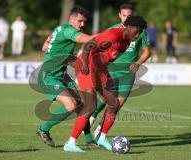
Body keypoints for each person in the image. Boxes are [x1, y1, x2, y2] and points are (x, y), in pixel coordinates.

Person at [63, 15, 148, 152]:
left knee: (113, 103)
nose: (138, 35)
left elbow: (107, 57)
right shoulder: (112, 35)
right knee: (91, 105)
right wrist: (84, 63)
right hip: (87, 65)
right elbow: (88, 46)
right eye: (137, 32)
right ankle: (70, 143)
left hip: (100, 69)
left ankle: (102, 137)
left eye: (140, 33)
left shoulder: (125, 43)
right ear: (130, 28)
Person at [86, 4, 150, 141]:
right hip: (112, 69)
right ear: (120, 15)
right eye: (125, 15)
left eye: (130, 15)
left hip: (128, 72)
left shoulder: (140, 31)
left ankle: (100, 131)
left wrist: (137, 63)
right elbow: (97, 46)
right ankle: (92, 117)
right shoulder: (112, 30)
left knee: (117, 105)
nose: (127, 17)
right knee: (104, 99)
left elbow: (147, 52)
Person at [36, 6, 94, 148]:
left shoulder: (60, 29)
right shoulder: (69, 30)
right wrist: (105, 36)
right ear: (71, 19)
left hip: (61, 75)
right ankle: (43, 129)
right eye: (80, 21)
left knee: (82, 107)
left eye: (84, 22)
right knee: (71, 105)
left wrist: (62, 54)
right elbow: (84, 39)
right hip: (48, 76)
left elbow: (44, 47)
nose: (82, 25)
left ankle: (89, 140)